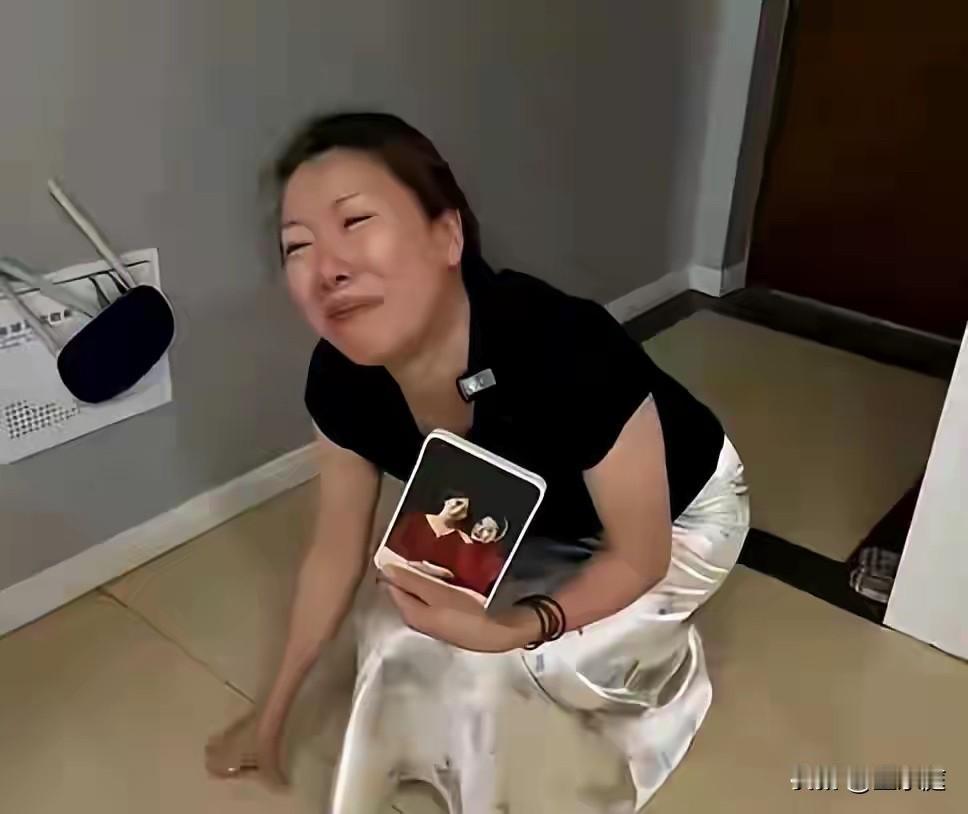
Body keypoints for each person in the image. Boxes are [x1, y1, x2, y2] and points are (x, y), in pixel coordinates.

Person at [205, 112, 749, 812]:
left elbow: (640, 555)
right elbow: (335, 551)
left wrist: (517, 626)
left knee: (527, 657)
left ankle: (662, 673)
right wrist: (272, 712)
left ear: (447, 235)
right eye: (297, 246)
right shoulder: (339, 378)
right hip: (515, 503)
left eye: (356, 220)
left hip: (679, 517)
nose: (328, 268)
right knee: (395, 625)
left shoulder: (566, 345)